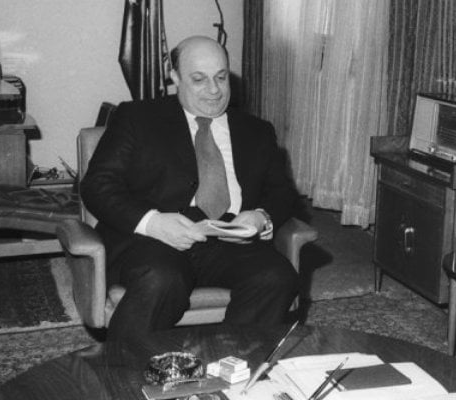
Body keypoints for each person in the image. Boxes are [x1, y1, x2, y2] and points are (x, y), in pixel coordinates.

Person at [81, 36, 299, 343]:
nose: (214, 90)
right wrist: (153, 222)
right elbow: (97, 184)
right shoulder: (137, 118)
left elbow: (282, 192)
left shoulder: (257, 130)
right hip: (153, 241)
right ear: (175, 77)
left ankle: (230, 362)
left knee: (276, 277)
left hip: (229, 240)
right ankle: (124, 367)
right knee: (162, 279)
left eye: (221, 77)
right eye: (199, 79)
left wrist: (261, 217)